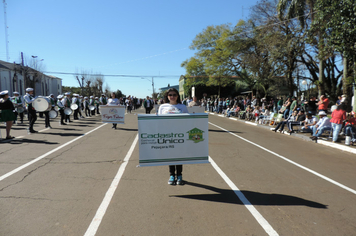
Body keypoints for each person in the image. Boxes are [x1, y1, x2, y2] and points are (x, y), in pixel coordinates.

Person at [158, 88, 188, 185]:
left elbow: (188, 121)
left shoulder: (182, 107)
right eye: (170, 95)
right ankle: (172, 175)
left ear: (177, 96)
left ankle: (179, 175)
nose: (172, 96)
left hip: (180, 134)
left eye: (174, 94)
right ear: (167, 96)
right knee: (170, 155)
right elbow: (158, 122)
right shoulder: (162, 107)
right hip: (168, 135)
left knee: (179, 155)